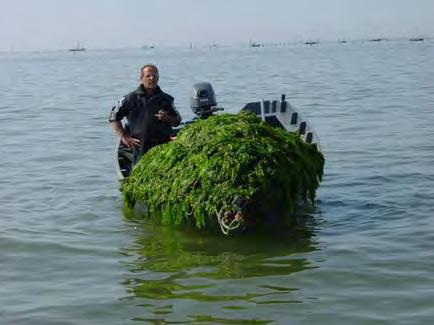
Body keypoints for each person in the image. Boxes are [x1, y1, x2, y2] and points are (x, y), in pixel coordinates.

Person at [109, 64, 181, 165]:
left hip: (163, 146)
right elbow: (113, 117)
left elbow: (177, 121)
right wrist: (124, 137)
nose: (152, 78)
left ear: (158, 78)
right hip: (140, 146)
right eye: (148, 76)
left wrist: (167, 118)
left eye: (155, 76)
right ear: (141, 78)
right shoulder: (130, 99)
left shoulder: (166, 99)